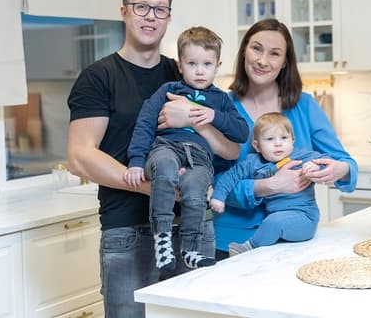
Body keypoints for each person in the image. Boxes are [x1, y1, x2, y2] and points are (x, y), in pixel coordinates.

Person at [67, 0, 239, 318]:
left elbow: (231, 150)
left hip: (194, 226)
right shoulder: (99, 76)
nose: (150, 16)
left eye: (160, 9)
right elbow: (79, 156)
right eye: (141, 7)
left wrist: (192, 119)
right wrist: (156, 188)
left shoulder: (187, 72)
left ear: (169, 18)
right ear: (124, 13)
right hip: (129, 230)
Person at [212, 18, 358, 260]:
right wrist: (267, 186)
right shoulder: (221, 109)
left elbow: (346, 165)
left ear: (284, 63)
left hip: (291, 243)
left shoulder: (305, 106)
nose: (262, 60)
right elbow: (211, 183)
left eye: (274, 54)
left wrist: (339, 169)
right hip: (231, 242)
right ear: (244, 51)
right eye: (256, 48)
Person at [124, 26, 248, 272]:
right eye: (192, 64)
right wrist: (136, 160)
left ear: (218, 65)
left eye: (207, 64)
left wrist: (212, 116)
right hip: (166, 148)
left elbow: (241, 132)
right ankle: (162, 237)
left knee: (195, 192)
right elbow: (146, 123)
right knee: (166, 168)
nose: (200, 71)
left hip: (200, 160)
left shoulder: (221, 100)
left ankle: (190, 248)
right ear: (180, 65)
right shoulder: (169, 91)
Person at [210, 112, 329, 255]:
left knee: (274, 222)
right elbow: (231, 176)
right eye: (270, 139)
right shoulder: (252, 163)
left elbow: (327, 161)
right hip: (276, 218)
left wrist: (316, 166)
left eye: (284, 138)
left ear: (292, 140)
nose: (278, 143)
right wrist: (218, 197)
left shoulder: (302, 157)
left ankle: (249, 247)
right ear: (257, 145)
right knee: (272, 223)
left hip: (305, 217)